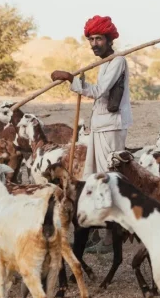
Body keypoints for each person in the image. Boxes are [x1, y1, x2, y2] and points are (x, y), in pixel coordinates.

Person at [51, 15, 133, 253]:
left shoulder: (118, 61)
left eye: (98, 39)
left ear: (109, 39)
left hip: (112, 126)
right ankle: (98, 228)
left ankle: (113, 234)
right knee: (94, 177)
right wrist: (75, 81)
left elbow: (98, 91)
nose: (94, 44)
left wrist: (71, 80)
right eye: (91, 39)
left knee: (111, 177)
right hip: (100, 125)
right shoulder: (104, 63)